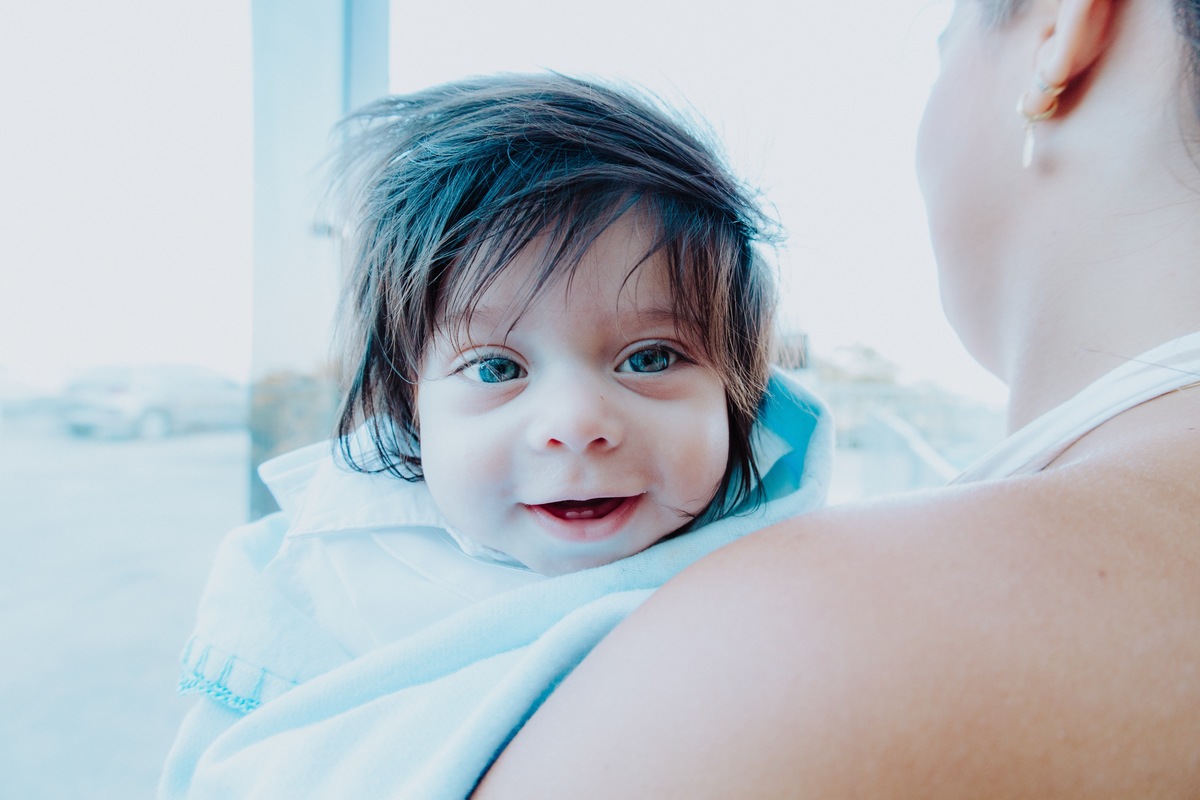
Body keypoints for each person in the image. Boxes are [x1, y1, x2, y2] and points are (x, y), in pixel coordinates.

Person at [473, 0, 1200, 796]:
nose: (575, 423)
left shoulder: (773, 655)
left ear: (1063, 27)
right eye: (497, 368)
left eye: (943, 47)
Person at [158, 74, 832, 798]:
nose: (575, 427)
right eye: (496, 368)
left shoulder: (798, 573)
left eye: (650, 358)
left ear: (738, 394)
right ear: (409, 409)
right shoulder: (316, 584)